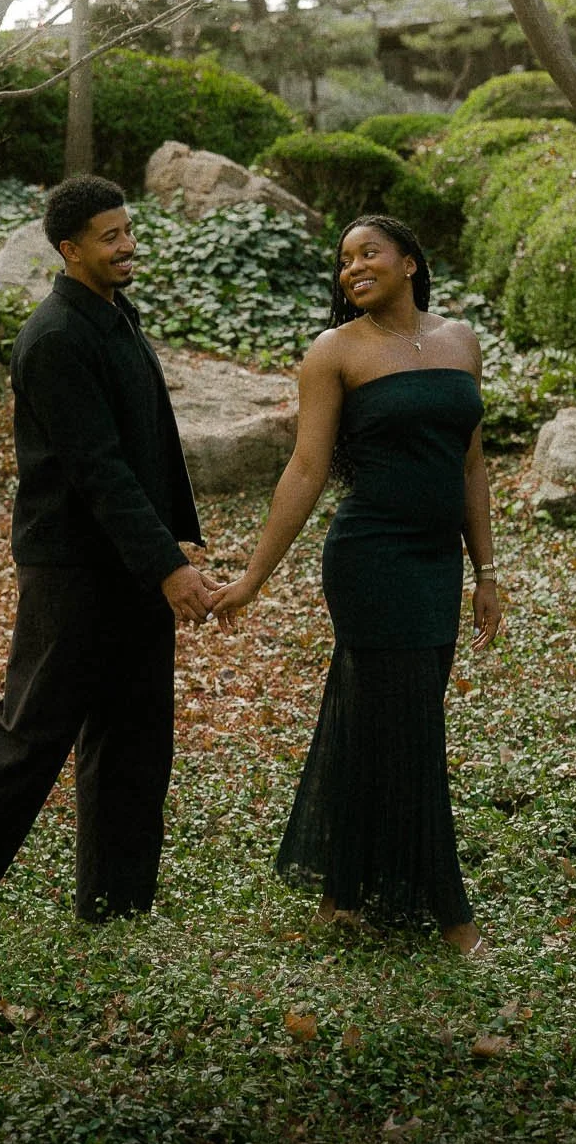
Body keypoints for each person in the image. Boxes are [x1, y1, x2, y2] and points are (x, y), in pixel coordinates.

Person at [0, 174, 217, 933]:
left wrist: (172, 541)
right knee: (27, 735)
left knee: (134, 740)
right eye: (110, 236)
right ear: (69, 250)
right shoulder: (56, 337)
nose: (127, 246)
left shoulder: (114, 315)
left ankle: (117, 906)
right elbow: (97, 469)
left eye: (128, 230)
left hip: (132, 563)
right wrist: (169, 567)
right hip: (72, 570)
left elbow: (146, 444)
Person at [211, 213, 501, 955]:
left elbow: (471, 465)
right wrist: (251, 578)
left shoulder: (459, 341)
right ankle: (448, 913)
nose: (351, 268)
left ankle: (343, 891)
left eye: (367, 252)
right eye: (342, 261)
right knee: (413, 727)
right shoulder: (333, 352)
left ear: (409, 260)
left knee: (381, 717)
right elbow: (306, 470)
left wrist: (485, 573)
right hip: (370, 561)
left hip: (435, 562)